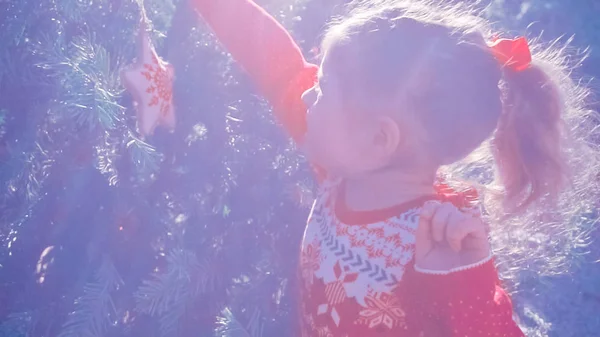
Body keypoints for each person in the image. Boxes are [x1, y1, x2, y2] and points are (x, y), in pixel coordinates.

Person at [191, 0, 596, 335]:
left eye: (324, 85)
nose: (308, 93)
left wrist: (462, 281)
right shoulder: (343, 164)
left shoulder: (439, 244)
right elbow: (271, 60)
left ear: (380, 139)